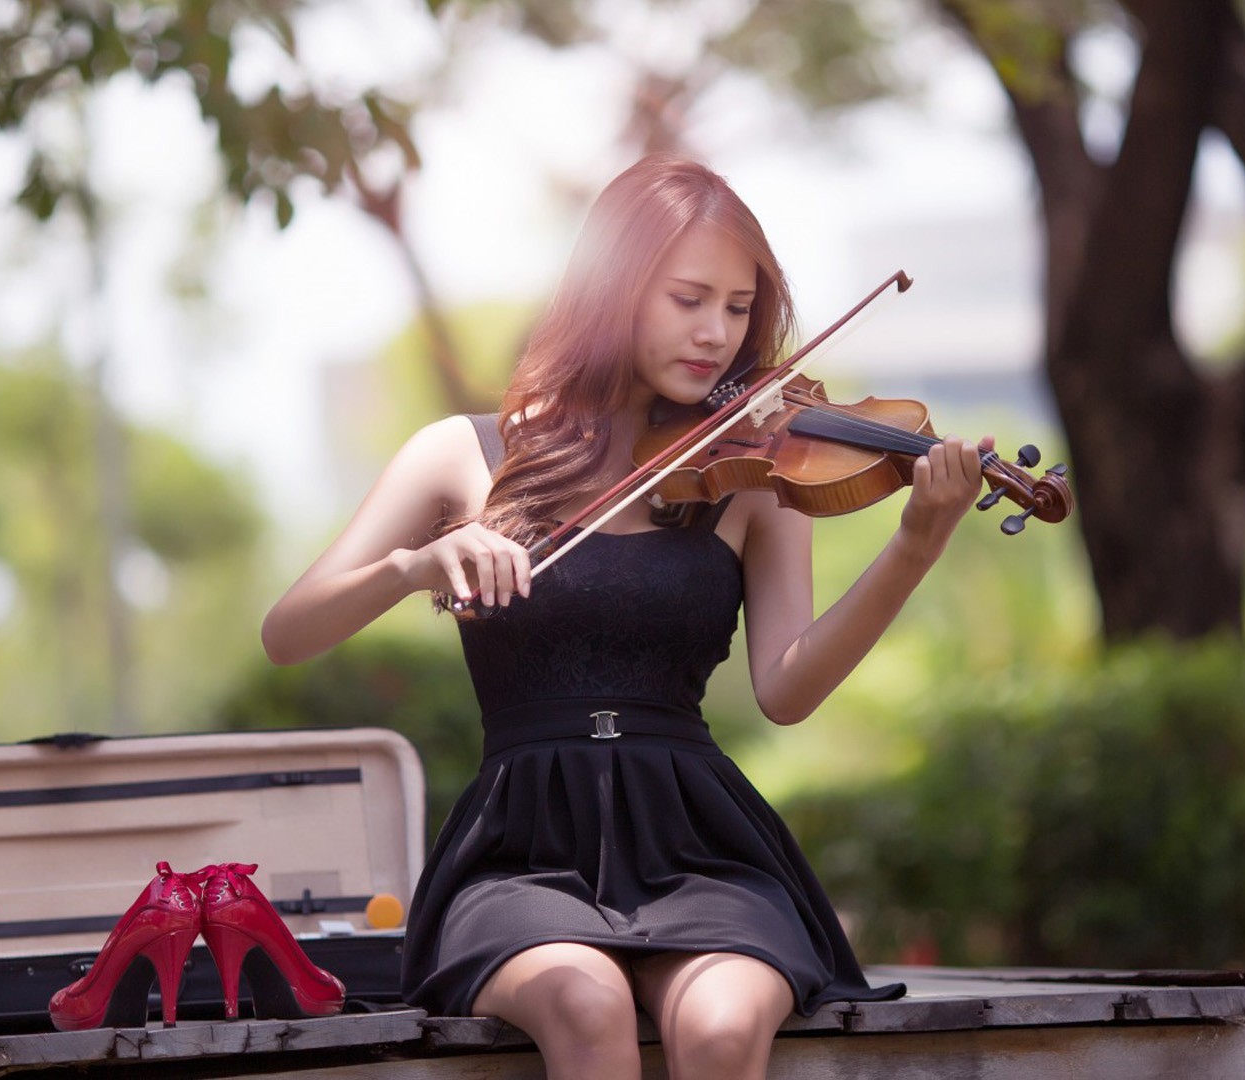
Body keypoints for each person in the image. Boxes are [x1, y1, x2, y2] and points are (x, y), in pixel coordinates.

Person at [261, 153, 991, 1080]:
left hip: (700, 841)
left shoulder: (755, 471)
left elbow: (788, 689)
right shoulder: (464, 454)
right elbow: (289, 631)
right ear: (611, 289)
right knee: (586, 1001)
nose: (716, 333)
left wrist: (916, 544)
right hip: (522, 849)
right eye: (688, 299)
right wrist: (414, 567)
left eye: (739, 307)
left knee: (723, 1027)